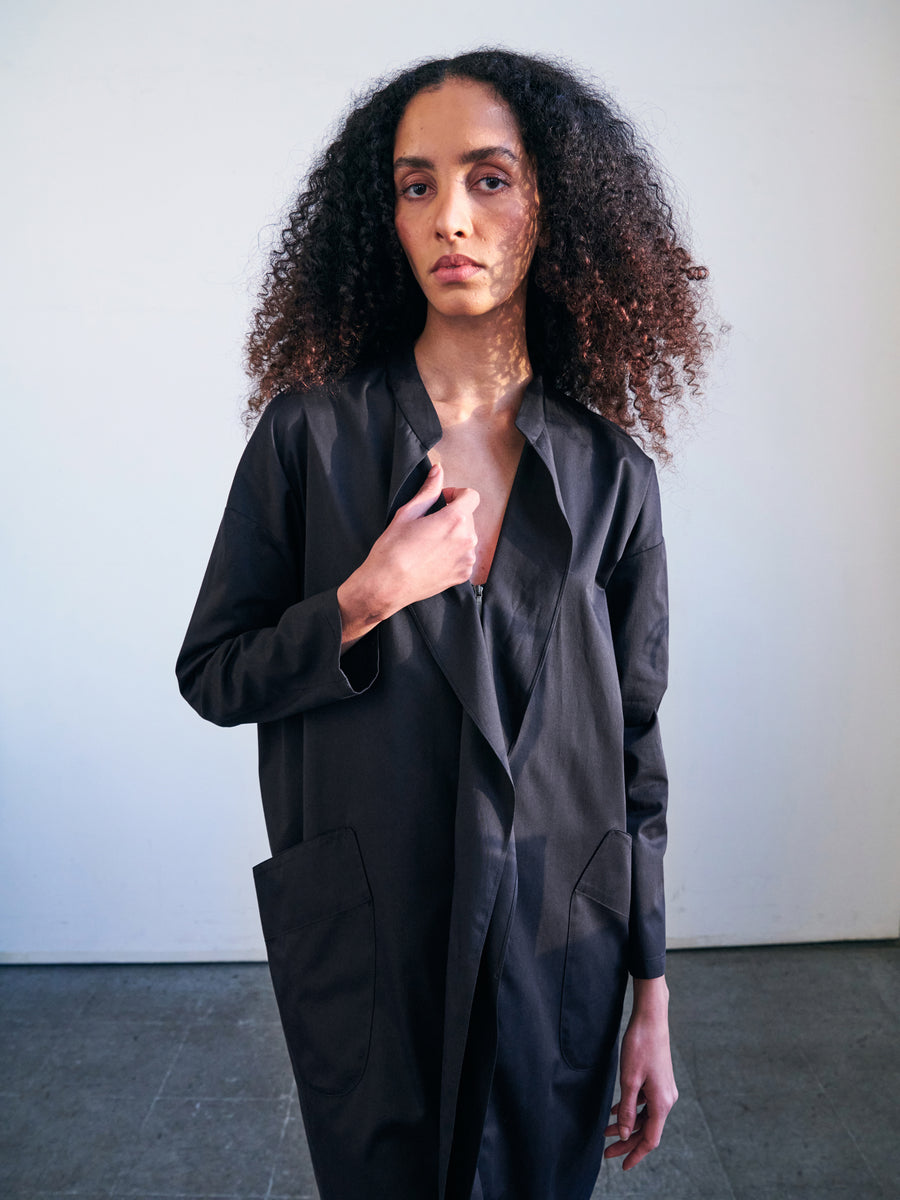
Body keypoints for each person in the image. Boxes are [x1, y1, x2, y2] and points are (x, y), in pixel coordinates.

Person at [177, 48, 711, 1200]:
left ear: (552, 205)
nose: (451, 218)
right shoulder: (308, 442)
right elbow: (214, 673)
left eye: (489, 178)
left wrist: (652, 999)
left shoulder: (612, 476)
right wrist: (367, 597)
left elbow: (636, 749)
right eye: (418, 185)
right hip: (379, 936)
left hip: (554, 945)